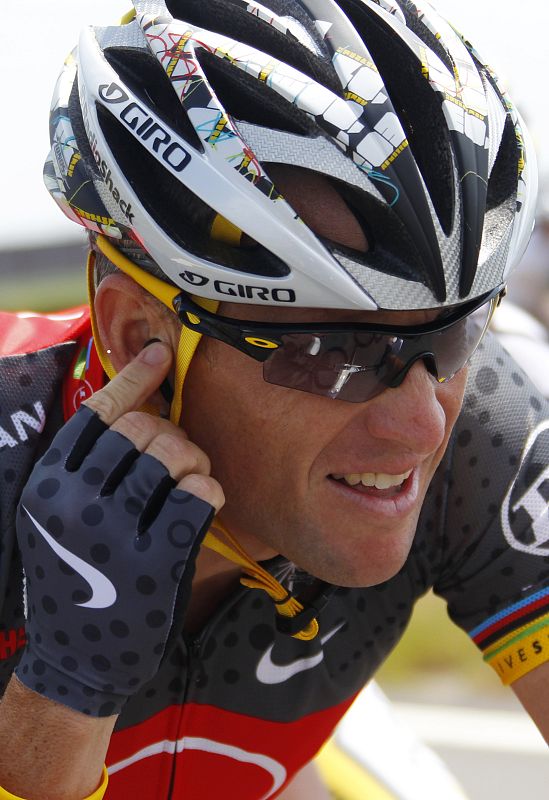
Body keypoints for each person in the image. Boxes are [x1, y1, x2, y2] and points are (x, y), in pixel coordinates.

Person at [0, 1, 547, 798]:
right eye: (335, 352)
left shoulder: (483, 428)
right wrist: (63, 691)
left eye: (456, 335)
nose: (422, 424)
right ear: (136, 332)